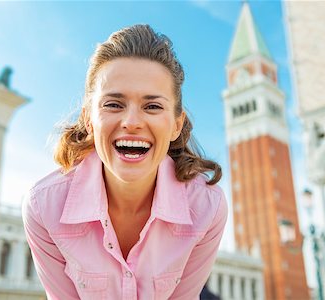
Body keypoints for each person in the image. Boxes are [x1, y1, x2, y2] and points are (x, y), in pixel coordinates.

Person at [22, 24, 227, 300]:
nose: (131, 122)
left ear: (177, 125)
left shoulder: (207, 208)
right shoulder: (43, 207)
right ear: (88, 121)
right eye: (113, 104)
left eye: (152, 106)